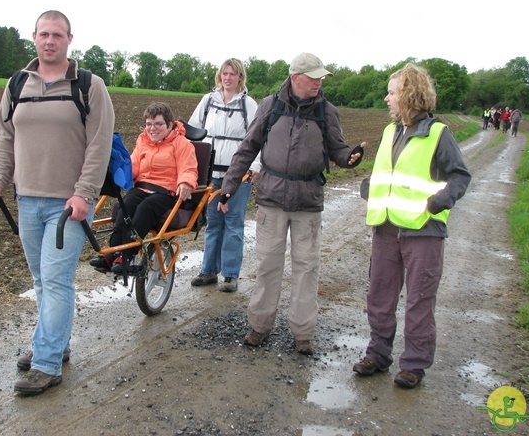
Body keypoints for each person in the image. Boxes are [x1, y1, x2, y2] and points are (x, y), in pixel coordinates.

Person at [0, 10, 115, 395]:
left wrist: (84, 194)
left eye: (58, 35)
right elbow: (5, 138)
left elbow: (99, 145)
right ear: (34, 37)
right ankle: (53, 342)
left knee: (55, 279)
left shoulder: (89, 86)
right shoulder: (17, 84)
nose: (50, 41)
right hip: (28, 198)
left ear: (70, 39)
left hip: (68, 205)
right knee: (41, 279)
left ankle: (47, 363)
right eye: (44, 34)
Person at [217, 52, 366, 355]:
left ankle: (303, 333)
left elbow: (337, 150)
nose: (319, 83)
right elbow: (248, 148)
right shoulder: (270, 106)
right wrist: (229, 186)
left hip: (308, 202)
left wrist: (349, 158)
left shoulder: (327, 111)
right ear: (296, 78)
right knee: (268, 265)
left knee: (306, 268)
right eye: (314, 77)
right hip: (272, 199)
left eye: (321, 78)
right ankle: (260, 326)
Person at [353, 63, 471, 389]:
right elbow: (389, 175)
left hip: (424, 231)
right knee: (379, 294)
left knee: (419, 299)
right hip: (386, 228)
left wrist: (439, 202)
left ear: (408, 94)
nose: (386, 98)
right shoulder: (391, 132)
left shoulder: (438, 133)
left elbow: (460, 176)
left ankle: (413, 366)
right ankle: (377, 355)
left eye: (392, 92)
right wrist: (369, 187)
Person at [89, 102, 198, 273]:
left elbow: (188, 169)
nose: (152, 129)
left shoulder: (182, 144)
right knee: (127, 205)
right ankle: (113, 253)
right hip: (142, 187)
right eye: (149, 124)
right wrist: (119, 174)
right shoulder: (143, 140)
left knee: (146, 207)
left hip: (167, 192)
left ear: (170, 125)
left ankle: (127, 256)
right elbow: (134, 164)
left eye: (158, 124)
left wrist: (185, 182)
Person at [187, 58, 260, 292]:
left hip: (237, 175)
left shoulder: (249, 105)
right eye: (225, 74)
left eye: (233, 74)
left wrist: (254, 167)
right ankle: (208, 271)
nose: (228, 78)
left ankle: (230, 275)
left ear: (240, 77)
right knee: (213, 222)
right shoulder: (208, 101)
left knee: (234, 223)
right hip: (210, 174)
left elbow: (259, 138)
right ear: (220, 76)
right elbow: (192, 132)